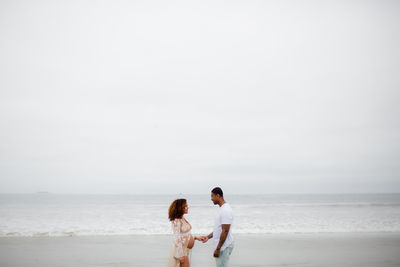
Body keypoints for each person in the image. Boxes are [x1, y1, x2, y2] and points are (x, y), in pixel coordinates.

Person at [199, 187, 234, 267]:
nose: (211, 199)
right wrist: (208, 237)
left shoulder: (226, 210)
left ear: (218, 195)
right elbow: (219, 229)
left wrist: (218, 249)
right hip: (222, 246)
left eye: (212, 196)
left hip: (224, 247)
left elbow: (225, 231)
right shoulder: (222, 209)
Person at [166, 198, 201, 267]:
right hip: (180, 251)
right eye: (185, 206)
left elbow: (185, 234)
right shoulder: (176, 220)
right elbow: (177, 237)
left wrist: (195, 237)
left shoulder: (182, 218)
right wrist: (180, 255)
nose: (187, 207)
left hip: (184, 249)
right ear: (180, 208)